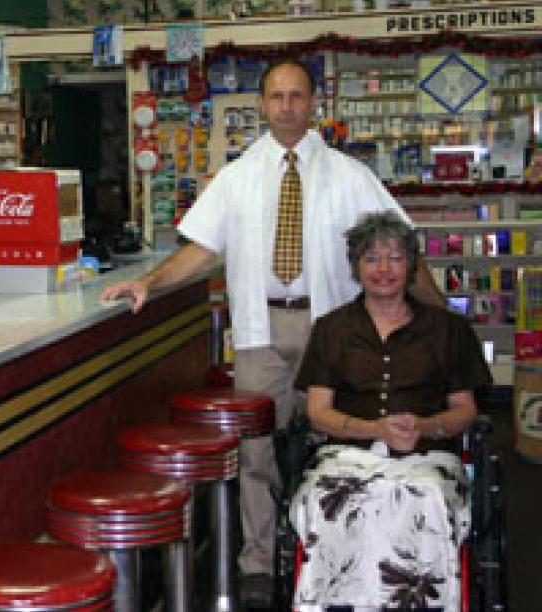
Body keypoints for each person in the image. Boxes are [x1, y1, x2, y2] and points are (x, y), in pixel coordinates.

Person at [99, 58, 445, 607]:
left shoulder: (350, 176)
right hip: (260, 327)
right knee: (256, 451)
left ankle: (329, 552)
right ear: (262, 104)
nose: (286, 106)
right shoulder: (236, 178)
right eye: (277, 96)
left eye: (297, 96)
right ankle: (258, 560)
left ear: (314, 105)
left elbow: (399, 246)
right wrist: (149, 281)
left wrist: (440, 310)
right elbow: (201, 249)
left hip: (330, 328)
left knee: (333, 441)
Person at [290, 212, 490, 611]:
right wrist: (374, 430)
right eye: (372, 259)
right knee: (332, 498)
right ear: (356, 267)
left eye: (395, 258)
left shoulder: (448, 330)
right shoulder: (331, 329)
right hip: (346, 455)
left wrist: (427, 426)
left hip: (428, 455)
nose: (384, 269)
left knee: (423, 496)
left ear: (412, 266)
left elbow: (465, 411)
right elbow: (317, 413)